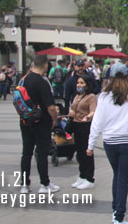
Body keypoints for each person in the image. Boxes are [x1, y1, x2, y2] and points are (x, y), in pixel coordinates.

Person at [88, 62, 128, 224]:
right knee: (122, 178)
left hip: (110, 142)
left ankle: (116, 210)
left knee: (117, 174)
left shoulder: (103, 97)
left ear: (110, 78)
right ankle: (119, 215)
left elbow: (96, 122)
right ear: (127, 77)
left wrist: (91, 145)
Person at [19, 55, 60, 194]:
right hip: (41, 122)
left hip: (25, 121)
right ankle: (45, 184)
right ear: (45, 65)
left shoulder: (23, 80)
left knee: (26, 153)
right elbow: (50, 107)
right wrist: (54, 119)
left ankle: (25, 185)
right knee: (41, 153)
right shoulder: (42, 82)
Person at [68, 73, 97, 190]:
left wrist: (87, 117)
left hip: (85, 126)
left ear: (87, 85)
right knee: (79, 152)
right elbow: (73, 107)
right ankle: (82, 175)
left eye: (81, 83)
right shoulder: (77, 96)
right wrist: (71, 112)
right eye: (78, 83)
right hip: (76, 124)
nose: (79, 85)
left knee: (87, 152)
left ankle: (89, 178)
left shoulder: (91, 97)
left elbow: (93, 111)